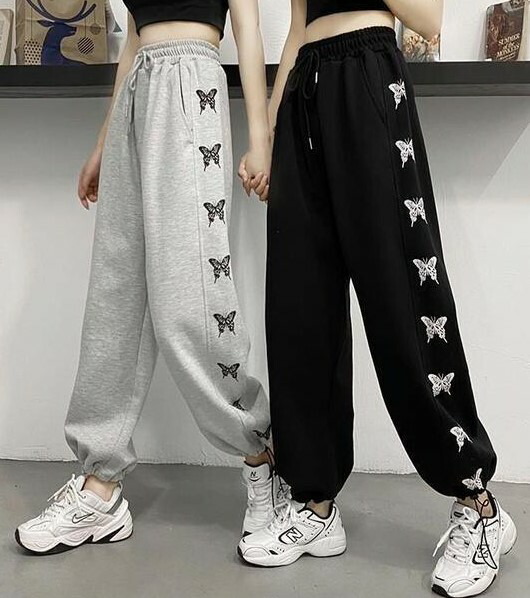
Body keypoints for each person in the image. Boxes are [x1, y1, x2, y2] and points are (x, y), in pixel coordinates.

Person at [238, 2, 518, 596]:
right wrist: (272, 132)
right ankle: (315, 502)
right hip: (305, 91)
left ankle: (479, 505)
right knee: (300, 309)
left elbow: (428, 20)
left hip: (368, 76)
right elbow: (297, 27)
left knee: (403, 301)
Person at [15, 0, 277, 555]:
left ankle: (260, 457)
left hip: (192, 87)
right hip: (137, 93)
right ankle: (100, 486)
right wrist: (103, 142)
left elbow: (248, 30)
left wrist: (261, 139)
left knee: (191, 300)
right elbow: (134, 39)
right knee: (116, 294)